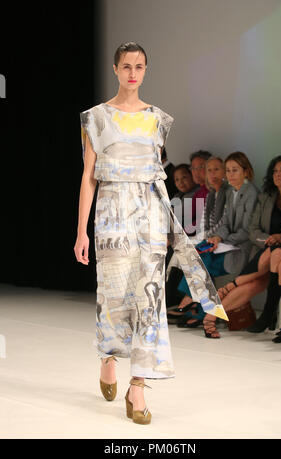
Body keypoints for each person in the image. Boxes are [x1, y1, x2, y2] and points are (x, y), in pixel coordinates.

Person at [74, 41, 227, 425]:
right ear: (115, 69)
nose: (132, 73)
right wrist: (81, 231)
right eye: (126, 66)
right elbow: (89, 177)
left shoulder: (158, 118)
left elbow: (154, 174)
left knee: (150, 298)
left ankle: (138, 385)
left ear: (145, 70)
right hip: (111, 214)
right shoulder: (96, 117)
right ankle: (108, 355)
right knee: (113, 293)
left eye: (139, 66)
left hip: (150, 216)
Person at [175, 151, 258, 335]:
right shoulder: (232, 193)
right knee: (201, 254)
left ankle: (193, 300)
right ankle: (199, 306)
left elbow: (246, 230)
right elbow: (226, 223)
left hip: (241, 248)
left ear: (246, 171)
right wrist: (217, 238)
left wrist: (221, 239)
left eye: (234, 170)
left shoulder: (249, 192)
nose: (230, 175)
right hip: (226, 245)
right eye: (228, 170)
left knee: (203, 259)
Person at [217, 156, 281, 336]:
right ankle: (214, 314)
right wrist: (269, 239)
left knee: (275, 260)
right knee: (257, 279)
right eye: (275, 171)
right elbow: (253, 229)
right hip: (265, 246)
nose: (277, 174)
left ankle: (268, 312)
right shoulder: (266, 196)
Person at [167, 157, 228, 325]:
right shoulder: (209, 193)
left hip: (226, 241)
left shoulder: (224, 193)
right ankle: (199, 309)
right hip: (211, 239)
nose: (211, 174)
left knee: (198, 255)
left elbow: (224, 223)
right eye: (208, 170)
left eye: (215, 169)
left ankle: (190, 300)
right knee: (196, 253)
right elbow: (203, 224)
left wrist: (210, 237)